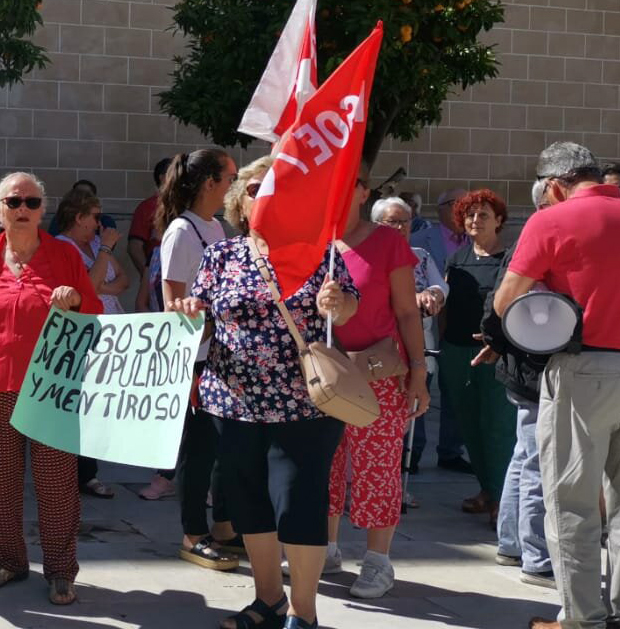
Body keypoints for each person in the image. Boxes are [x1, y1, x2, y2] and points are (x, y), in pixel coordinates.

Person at [494, 142, 620, 629]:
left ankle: (581, 618)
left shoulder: (551, 220)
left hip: (586, 369)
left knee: (571, 501)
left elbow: (504, 303)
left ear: (555, 185)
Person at [169, 178, 359, 629]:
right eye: (256, 187)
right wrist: (192, 310)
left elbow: (349, 308)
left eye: (278, 187)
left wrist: (340, 302)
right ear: (240, 204)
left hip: (305, 404)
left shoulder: (321, 252)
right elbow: (206, 319)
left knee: (298, 501)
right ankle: (268, 601)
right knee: (247, 499)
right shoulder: (221, 256)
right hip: (233, 403)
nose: (267, 195)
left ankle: (304, 613)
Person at [0, 171, 102, 607]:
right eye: (13, 201)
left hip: (51, 387)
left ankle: (60, 571)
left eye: (32, 203)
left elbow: (92, 312)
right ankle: (9, 561)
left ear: (43, 211)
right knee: (1, 481)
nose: (23, 209)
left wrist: (74, 301)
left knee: (56, 482)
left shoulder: (63, 255)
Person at [325, 177, 431, 599]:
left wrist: (418, 371)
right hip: (323, 372)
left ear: (363, 192)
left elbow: (407, 311)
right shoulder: (313, 241)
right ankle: (325, 548)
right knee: (323, 465)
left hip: (379, 373)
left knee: (377, 467)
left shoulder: (387, 242)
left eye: (346, 183)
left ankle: (377, 561)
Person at [142, 149, 240, 561]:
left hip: (219, 355)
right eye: (230, 177)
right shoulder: (182, 231)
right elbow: (172, 304)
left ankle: (222, 525)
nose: (234, 185)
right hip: (194, 359)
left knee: (222, 449)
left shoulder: (216, 226)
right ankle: (192, 532)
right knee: (197, 450)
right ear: (209, 183)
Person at [481, 179, 555, 589]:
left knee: (525, 455)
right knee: (535, 461)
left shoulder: (536, 241)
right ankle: (534, 554)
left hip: (525, 368)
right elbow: (500, 306)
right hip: (532, 371)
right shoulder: (537, 243)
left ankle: (512, 543)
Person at [439, 189, 516, 525]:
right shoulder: (456, 260)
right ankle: (486, 490)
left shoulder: (510, 259)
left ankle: (504, 499)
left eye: (483, 214)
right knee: (469, 426)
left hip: (495, 354)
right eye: (469, 215)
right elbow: (444, 305)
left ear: (499, 220)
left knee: (498, 428)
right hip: (456, 351)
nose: (475, 220)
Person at [53, 188, 129, 499]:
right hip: (81, 333)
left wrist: (101, 286)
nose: (100, 224)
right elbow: (86, 287)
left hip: (107, 333)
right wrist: (105, 254)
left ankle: (86, 471)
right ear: (79, 217)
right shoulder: (63, 247)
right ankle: (80, 473)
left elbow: (122, 280)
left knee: (95, 405)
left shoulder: (97, 245)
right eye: (95, 217)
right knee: (78, 406)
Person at [371, 197, 446, 484]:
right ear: (378, 224)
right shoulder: (370, 254)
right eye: (394, 221)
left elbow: (440, 284)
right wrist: (410, 297)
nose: (402, 227)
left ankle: (405, 472)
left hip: (416, 341)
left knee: (413, 407)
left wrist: (436, 294)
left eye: (406, 221)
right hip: (382, 347)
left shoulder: (419, 254)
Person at [411, 187, 471, 474]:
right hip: (428, 327)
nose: (465, 210)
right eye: (458, 203)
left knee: (455, 391)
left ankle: (451, 450)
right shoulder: (419, 242)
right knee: (422, 383)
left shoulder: (478, 237)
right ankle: (413, 452)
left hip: (461, 327)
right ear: (441, 209)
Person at [129, 157, 173, 312]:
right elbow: (135, 247)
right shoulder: (147, 207)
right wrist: (149, 279)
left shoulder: (189, 207)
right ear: (162, 178)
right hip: (158, 275)